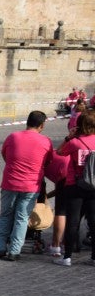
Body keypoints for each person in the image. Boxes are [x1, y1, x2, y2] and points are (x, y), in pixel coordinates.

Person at [0, 111, 52, 261]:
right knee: (22, 218)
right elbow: (47, 162)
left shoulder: (13, 137)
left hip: (10, 182)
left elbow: (5, 155)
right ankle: (14, 251)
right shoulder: (45, 141)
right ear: (42, 125)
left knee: (5, 215)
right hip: (31, 186)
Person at [54, 109, 95, 266]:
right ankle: (94, 257)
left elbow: (59, 152)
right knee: (93, 221)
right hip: (93, 185)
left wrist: (68, 137)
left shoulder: (75, 142)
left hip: (74, 184)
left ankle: (67, 257)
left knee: (73, 221)